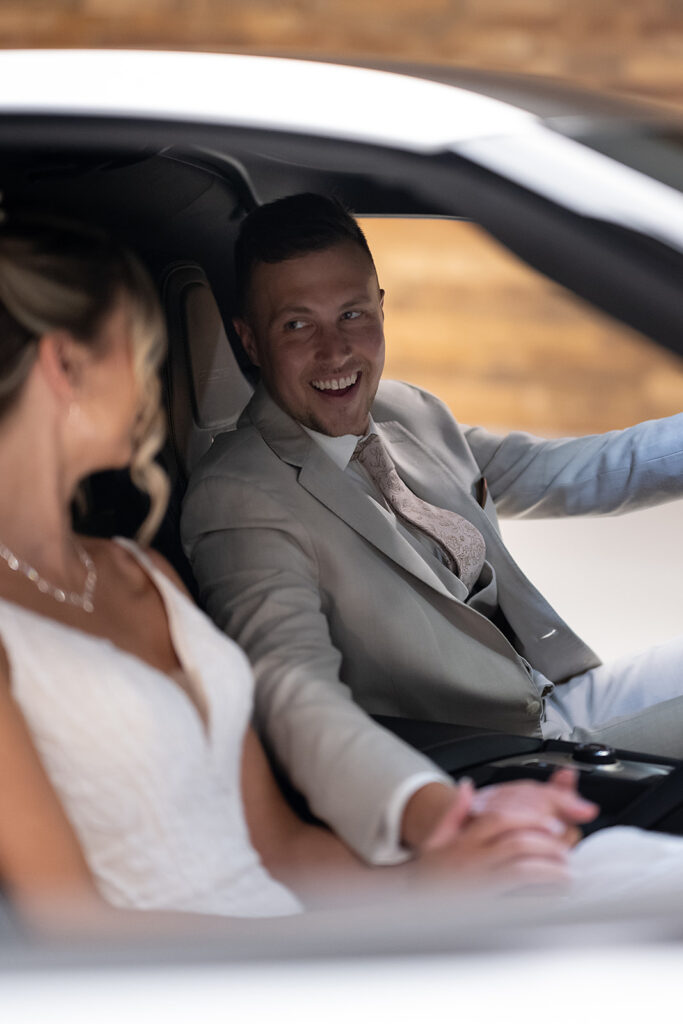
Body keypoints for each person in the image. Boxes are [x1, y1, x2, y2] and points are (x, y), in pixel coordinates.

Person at [0, 219, 600, 934]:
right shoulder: (232, 500)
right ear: (65, 367)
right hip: (195, 979)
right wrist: (393, 906)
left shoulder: (143, 573)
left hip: (299, 935)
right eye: (143, 350)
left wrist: (443, 874)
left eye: (354, 313)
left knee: (614, 872)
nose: (157, 380)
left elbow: (276, 846)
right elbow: (70, 928)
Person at [181, 192, 683, 866]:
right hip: (490, 754)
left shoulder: (406, 409)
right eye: (297, 326)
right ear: (249, 339)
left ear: (381, 309)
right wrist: (438, 816)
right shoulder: (237, 494)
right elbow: (291, 692)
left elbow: (559, 472)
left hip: (555, 692)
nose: (334, 351)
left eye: (352, 315)